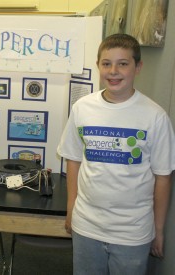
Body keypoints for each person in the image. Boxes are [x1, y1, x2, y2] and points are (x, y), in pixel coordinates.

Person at [57, 33, 175, 275]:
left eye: (123, 63)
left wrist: (158, 230)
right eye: (106, 63)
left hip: (132, 231)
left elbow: (163, 176)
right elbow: (74, 159)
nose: (114, 71)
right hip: (86, 225)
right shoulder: (82, 108)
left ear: (138, 67)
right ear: (98, 66)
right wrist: (71, 210)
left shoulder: (155, 116)